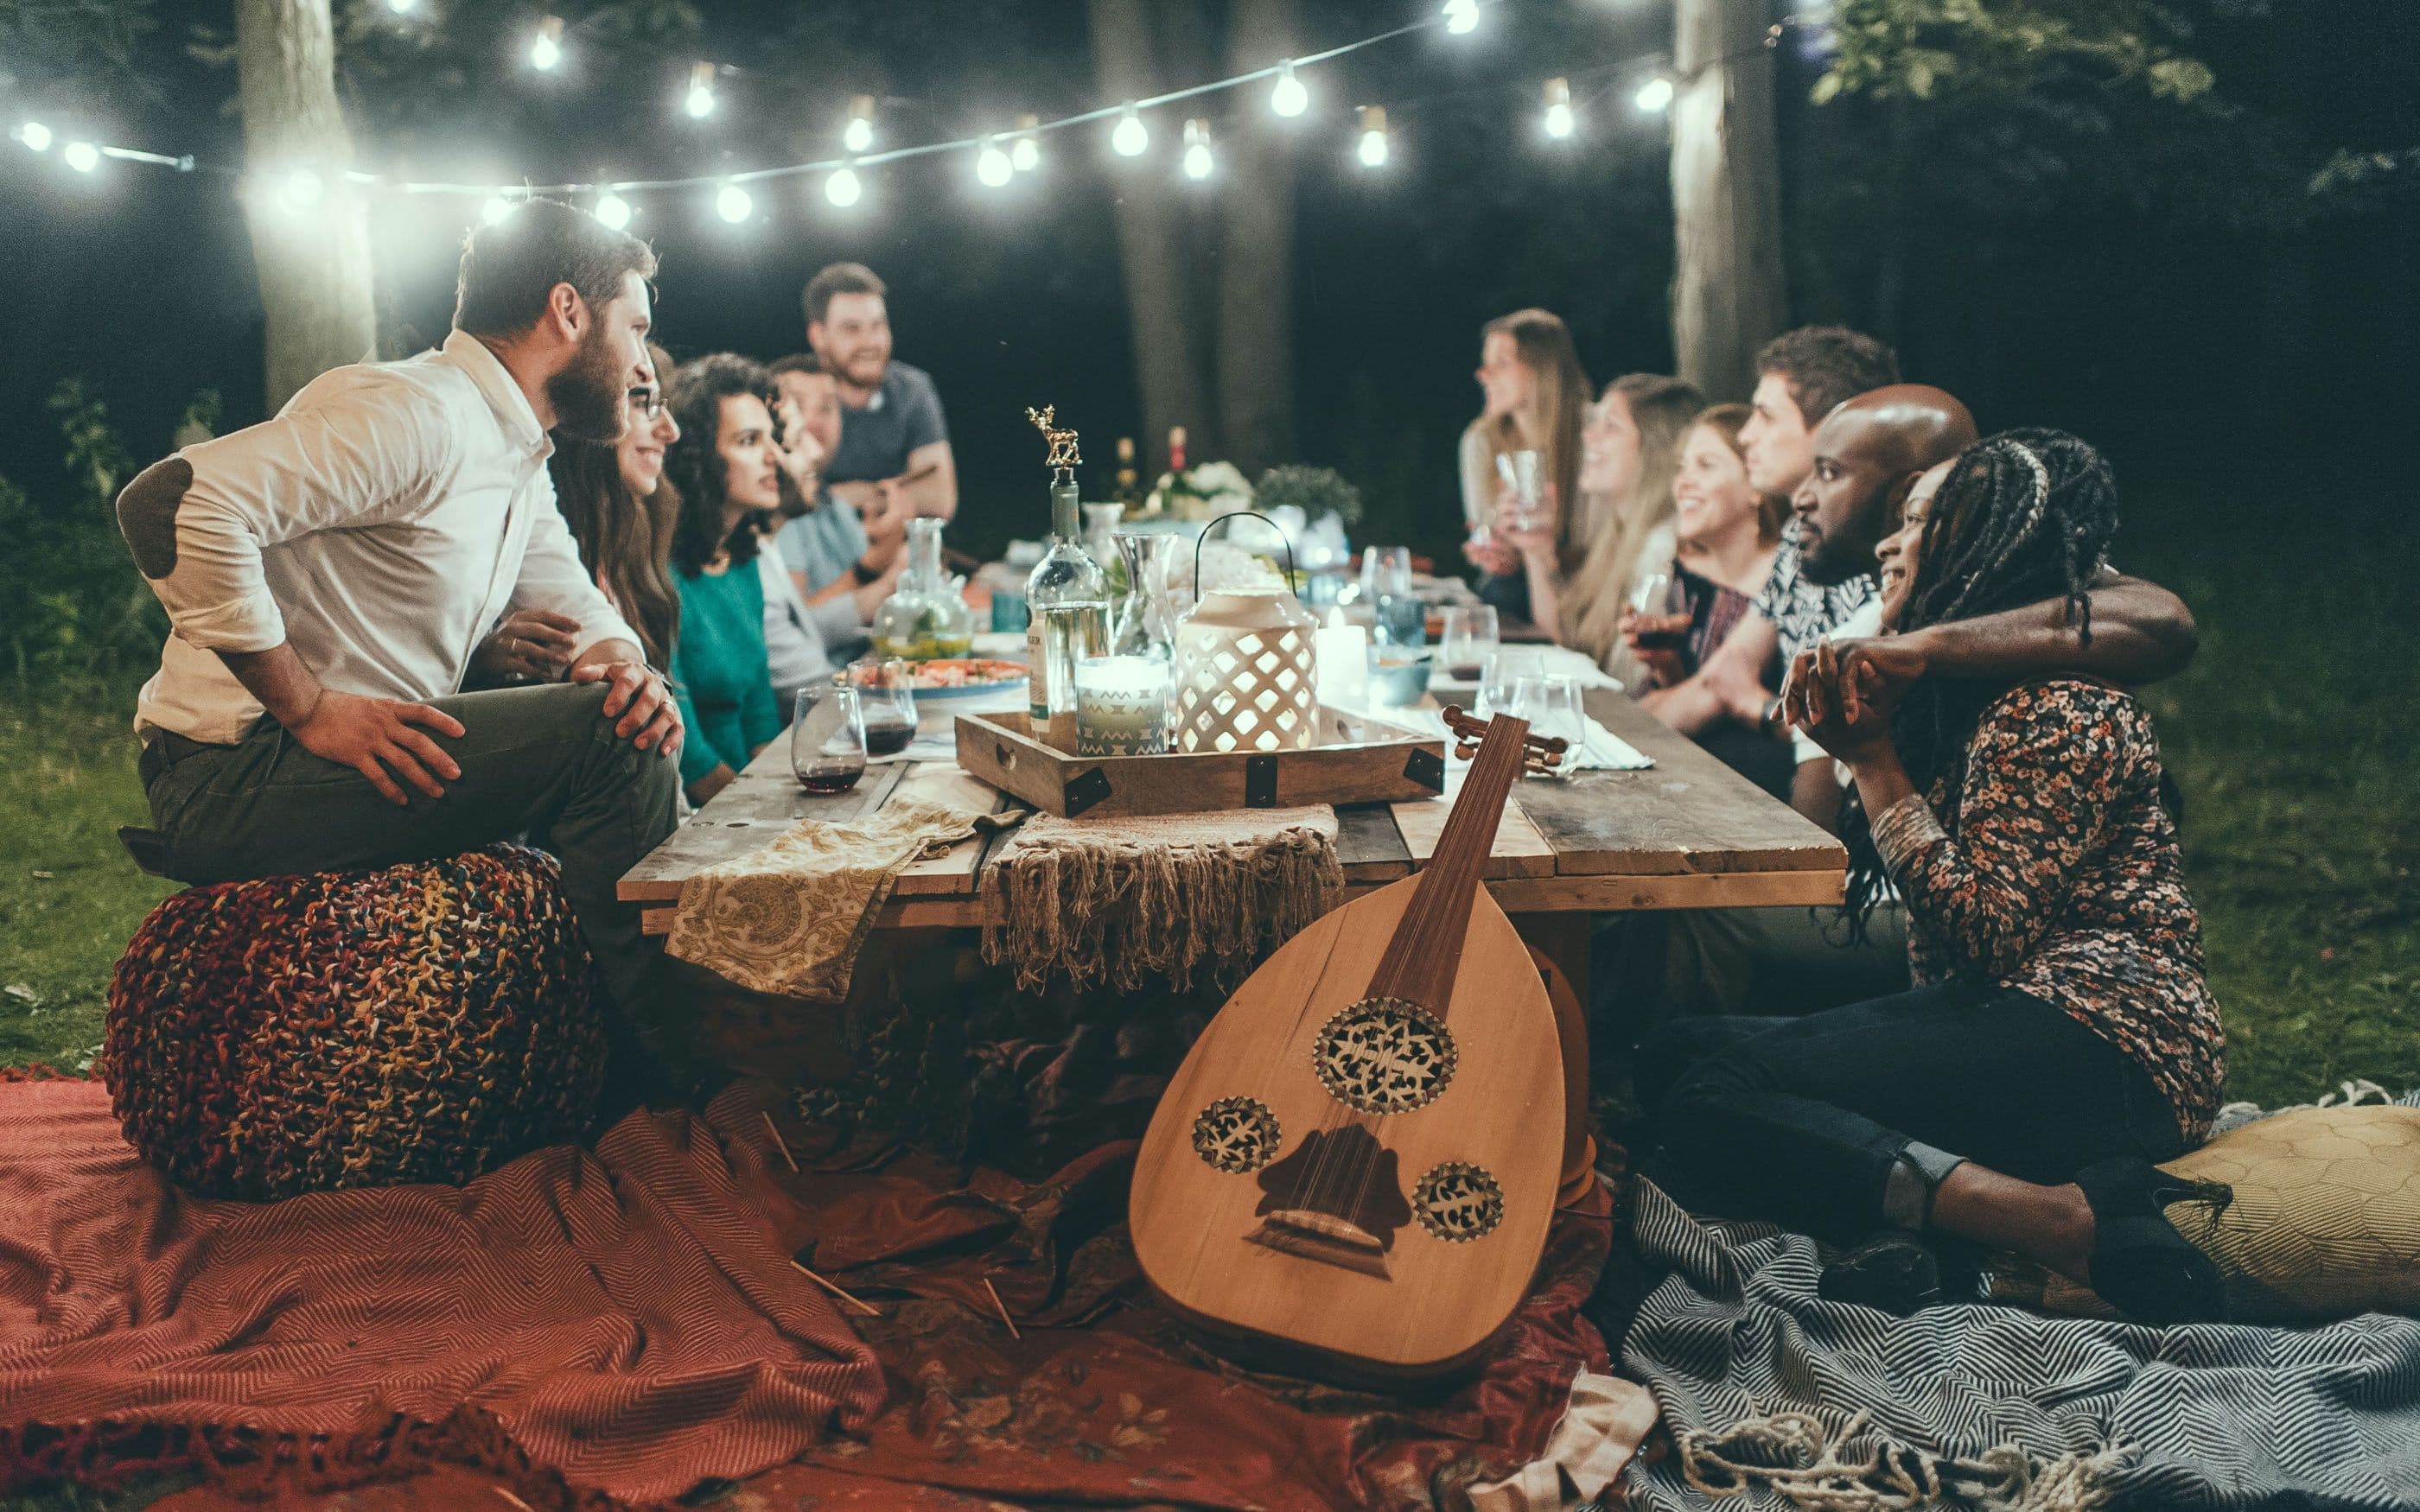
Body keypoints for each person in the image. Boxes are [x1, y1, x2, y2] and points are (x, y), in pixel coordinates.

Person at [1637, 430, 2228, 1325]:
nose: (1884, 542)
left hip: (2111, 1047)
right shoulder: (1972, 696)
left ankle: (2056, 1222)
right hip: (2014, 1014)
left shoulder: (2058, 705)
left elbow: (1988, 935)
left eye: (1913, 520)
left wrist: (1873, 762)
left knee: (1713, 1097)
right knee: (1673, 1058)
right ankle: (1915, 1242)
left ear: (1975, 546)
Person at [113, 197, 689, 1102]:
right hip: (230, 773)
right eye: (637, 327)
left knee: (629, 710)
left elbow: (574, 599)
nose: (644, 362)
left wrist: (625, 667)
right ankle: (676, 1066)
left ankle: (642, 1033)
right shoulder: (417, 414)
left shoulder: (512, 451)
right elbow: (172, 502)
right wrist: (307, 704)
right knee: (608, 742)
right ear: (568, 311)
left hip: (338, 765)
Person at [474, 341, 684, 682]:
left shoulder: (635, 540)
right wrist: (475, 663)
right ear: (588, 412)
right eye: (643, 402)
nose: (671, 431)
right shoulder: (521, 537)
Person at [1622, 404, 1792, 796]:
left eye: (1706, 465)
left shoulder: (1787, 577)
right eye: (1683, 466)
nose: (1682, 482)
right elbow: (1695, 697)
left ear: (1756, 488)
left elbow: (1716, 698)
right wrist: (1669, 665)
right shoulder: (1688, 569)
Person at [1502, 373, 1704, 686]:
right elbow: (1564, 645)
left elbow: (1624, 687)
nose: (1588, 436)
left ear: (1656, 448)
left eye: (1610, 425)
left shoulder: (1663, 547)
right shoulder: (1619, 533)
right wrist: (1536, 548)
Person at [661, 354, 785, 807]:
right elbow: (686, 752)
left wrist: (783, 798)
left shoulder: (741, 558)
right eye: (749, 441)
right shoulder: (659, 570)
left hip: (746, 795)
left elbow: (758, 709)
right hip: (697, 814)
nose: (775, 456)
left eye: (772, 438)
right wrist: (758, 814)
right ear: (698, 455)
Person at [1457, 309, 1589, 622]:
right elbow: (1482, 529)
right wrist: (1495, 551)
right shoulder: (1481, 440)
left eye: (1501, 363)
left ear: (1544, 370)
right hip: (1518, 587)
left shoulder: (1592, 433)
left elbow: (1603, 547)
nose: (1483, 374)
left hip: (1583, 584)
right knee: (1500, 590)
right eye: (1485, 362)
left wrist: (1541, 549)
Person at [767, 353, 900, 658]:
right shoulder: (781, 511)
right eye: (798, 407)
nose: (813, 422)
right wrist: (875, 572)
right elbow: (793, 627)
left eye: (827, 407)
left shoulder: (833, 503)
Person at [802, 262, 958, 522]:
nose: (870, 341)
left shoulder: (912, 389)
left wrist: (843, 495)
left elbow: (940, 500)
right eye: (852, 329)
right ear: (818, 335)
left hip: (900, 550)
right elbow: (784, 502)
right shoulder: (796, 392)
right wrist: (896, 493)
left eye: (877, 325)